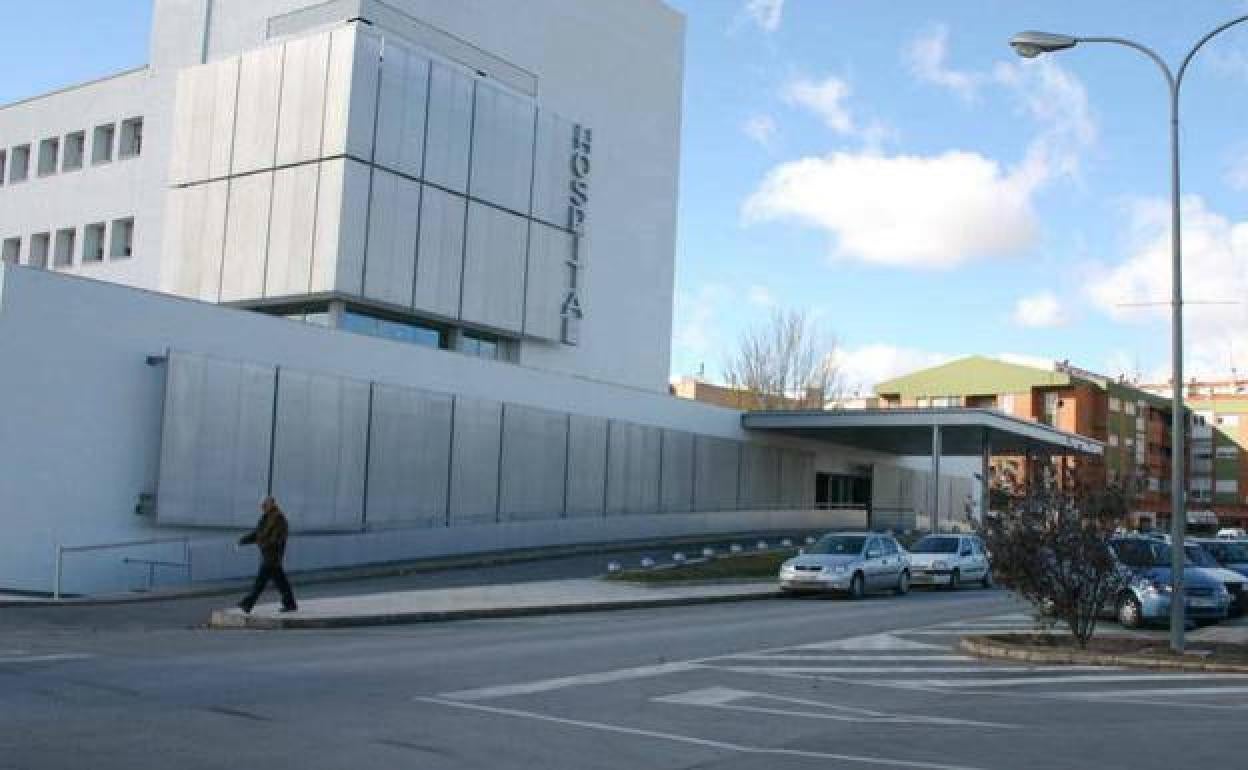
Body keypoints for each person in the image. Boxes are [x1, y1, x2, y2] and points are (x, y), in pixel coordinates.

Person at [237, 496, 297, 613]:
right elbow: (257, 533)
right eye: (262, 505)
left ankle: (247, 604)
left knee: (260, 582)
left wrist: (262, 544)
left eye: (265, 505)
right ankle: (290, 603)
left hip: (272, 555)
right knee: (281, 581)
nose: (262, 507)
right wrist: (243, 540)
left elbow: (276, 539)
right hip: (268, 555)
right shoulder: (266, 517)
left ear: (272, 504)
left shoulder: (278, 518)